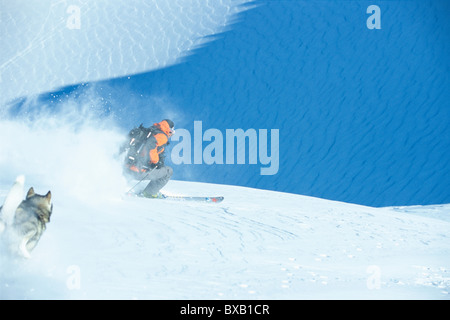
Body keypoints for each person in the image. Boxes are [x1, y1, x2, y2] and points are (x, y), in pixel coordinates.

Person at [123, 119, 175, 198]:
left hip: (127, 168)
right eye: (172, 131)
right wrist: (156, 161)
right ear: (169, 129)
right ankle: (149, 193)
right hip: (139, 171)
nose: (171, 134)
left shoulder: (149, 131)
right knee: (168, 171)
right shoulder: (162, 136)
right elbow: (151, 143)